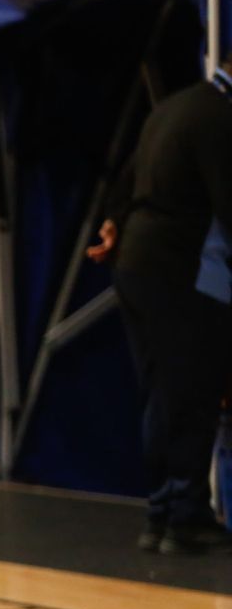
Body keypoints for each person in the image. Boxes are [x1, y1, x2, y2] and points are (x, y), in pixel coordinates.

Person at [89, 58, 232, 554]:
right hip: (179, 269)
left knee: (159, 393)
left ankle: (161, 512)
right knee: (190, 392)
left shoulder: (173, 108)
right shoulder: (218, 116)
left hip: (136, 265)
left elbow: (122, 181)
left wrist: (112, 222)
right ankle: (185, 515)